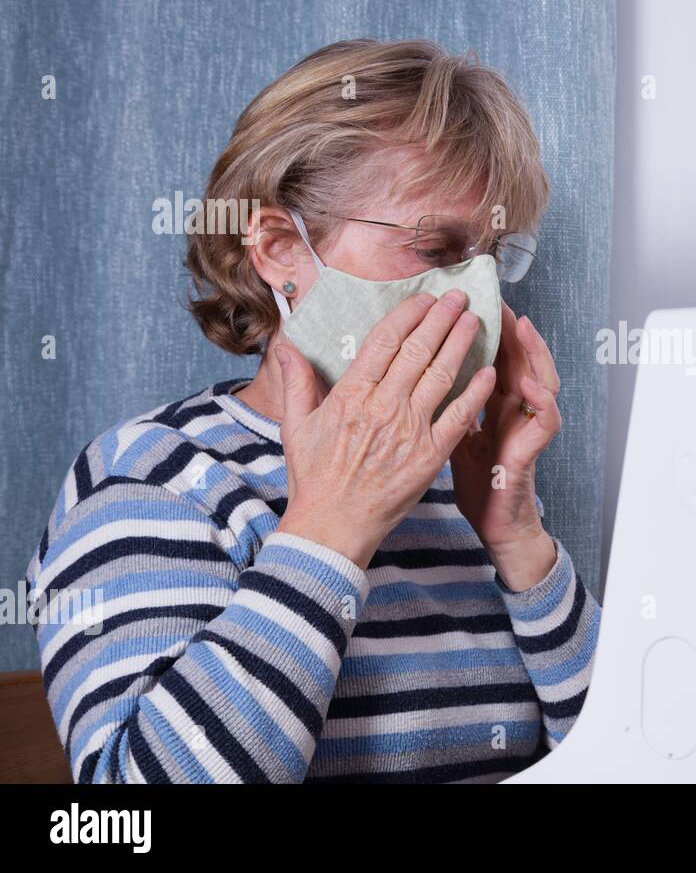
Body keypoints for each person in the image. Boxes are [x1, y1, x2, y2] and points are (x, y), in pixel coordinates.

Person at [25, 39, 600, 783]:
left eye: (494, 255)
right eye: (436, 247)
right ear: (276, 249)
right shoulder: (154, 481)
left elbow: (628, 760)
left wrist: (516, 533)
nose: (477, 293)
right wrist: (334, 527)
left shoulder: (460, 484)